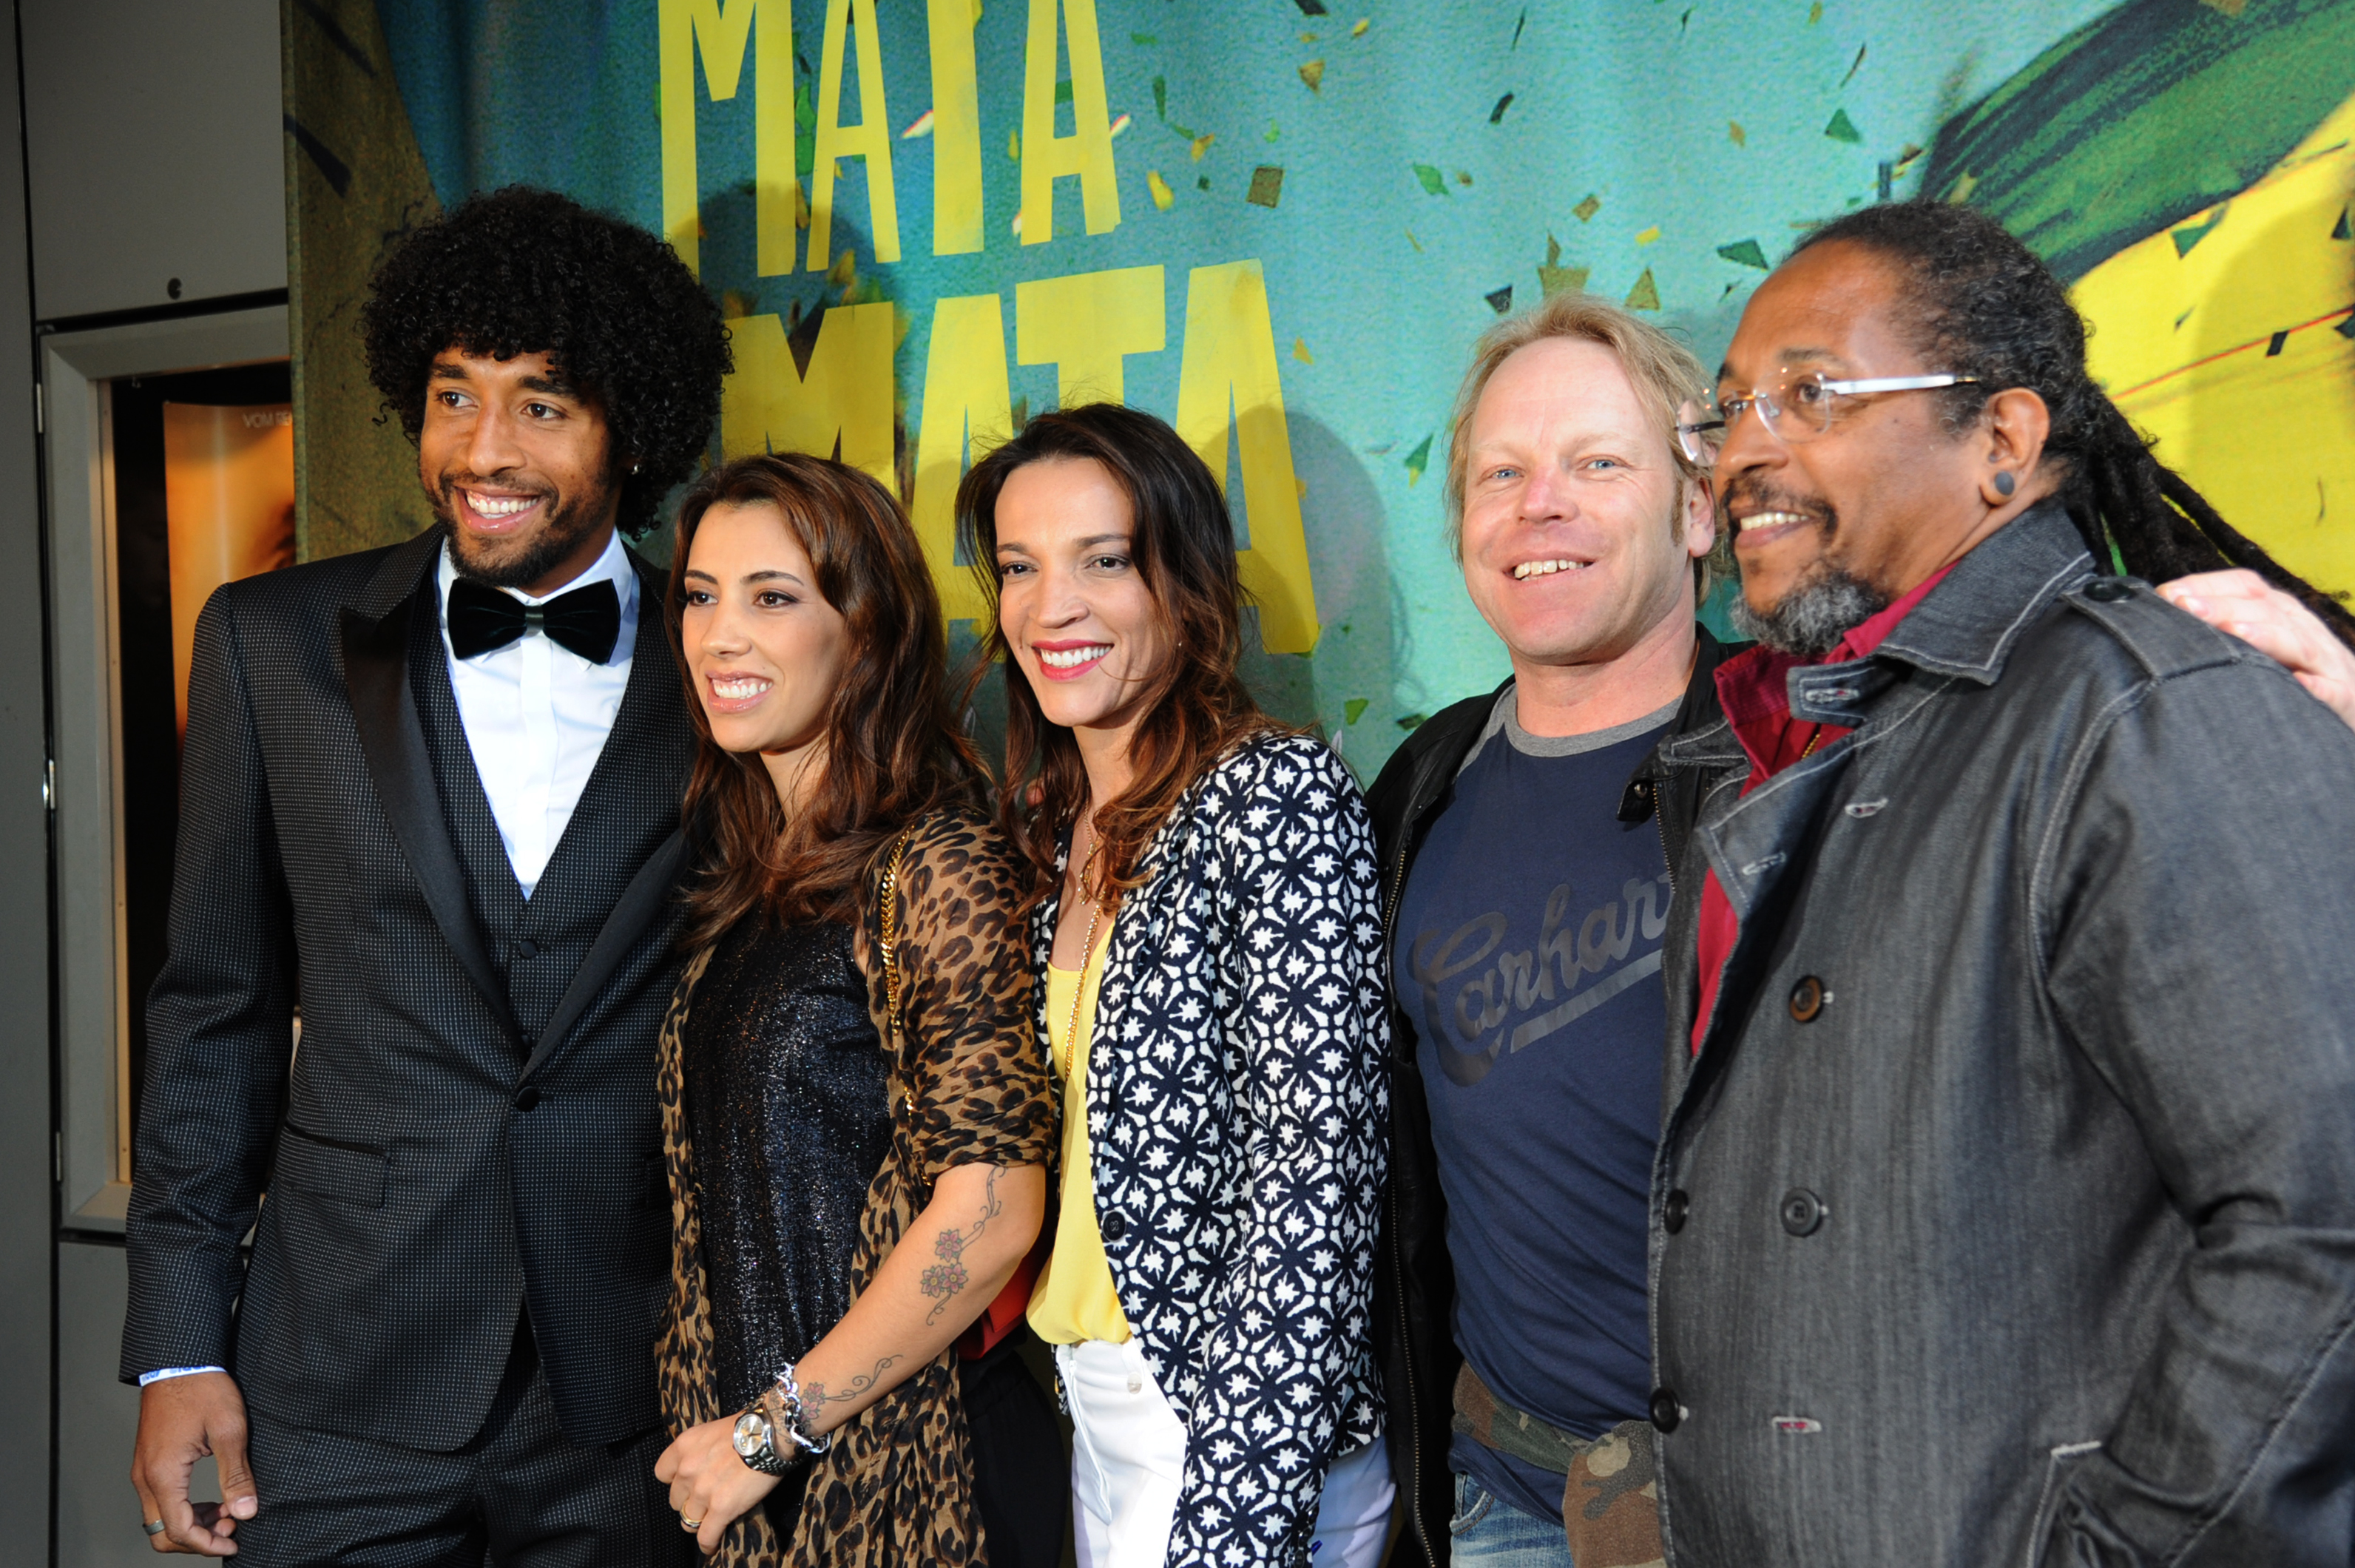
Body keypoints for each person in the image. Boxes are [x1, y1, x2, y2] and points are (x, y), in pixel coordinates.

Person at [1646, 200, 2355, 1566]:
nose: (1744, 451)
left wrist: (2123, 1552)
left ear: (2004, 443)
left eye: (1812, 394)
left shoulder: (2140, 711)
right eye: (1730, 409)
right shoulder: (1772, 748)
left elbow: (2324, 1220)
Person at [122, 186, 729, 1561]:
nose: (482, 449)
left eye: (541, 405)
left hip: (635, 1399)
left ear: (635, 427)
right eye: (454, 396)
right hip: (335, 1384)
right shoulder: (271, 642)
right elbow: (213, 1011)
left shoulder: (727, 665)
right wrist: (176, 1344)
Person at [956, 403, 1393, 1567]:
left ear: (1182, 582)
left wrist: (1238, 1514)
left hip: (1237, 1435)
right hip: (1095, 1417)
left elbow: (1313, 1192)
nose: (1052, 606)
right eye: (1019, 566)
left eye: (1103, 561)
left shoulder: (1275, 798)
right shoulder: (1045, 831)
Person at [1367, 292, 1732, 1568]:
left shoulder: (1801, 761)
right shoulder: (1422, 784)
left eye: (1598, 464)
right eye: (1502, 474)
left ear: (1699, 508)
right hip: (1504, 1497)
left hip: (1751, 1505)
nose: (1540, 506)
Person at [645, 453, 1058, 1566]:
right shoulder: (749, 877)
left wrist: (772, 1429)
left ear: (865, 633)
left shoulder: (938, 863)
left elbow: (993, 1211)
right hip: (762, 1488)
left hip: (925, 1482)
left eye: (773, 598)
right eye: (701, 596)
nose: (720, 637)